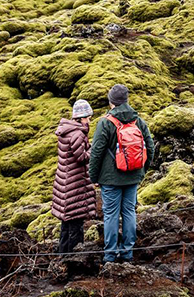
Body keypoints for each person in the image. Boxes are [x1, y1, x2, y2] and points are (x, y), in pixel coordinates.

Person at [88, 84, 154, 263]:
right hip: (133, 177)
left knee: (110, 215)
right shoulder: (138, 120)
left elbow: (96, 152)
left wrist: (93, 177)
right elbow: (150, 146)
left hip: (110, 179)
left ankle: (110, 255)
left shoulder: (105, 122)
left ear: (111, 102)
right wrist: (142, 171)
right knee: (129, 212)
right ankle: (127, 253)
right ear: (126, 100)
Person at [51, 99, 97, 254]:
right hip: (75, 185)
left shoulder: (66, 131)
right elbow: (81, 157)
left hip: (65, 182)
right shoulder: (77, 133)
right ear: (82, 117)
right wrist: (94, 150)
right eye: (88, 117)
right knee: (76, 226)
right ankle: (74, 259)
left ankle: (63, 255)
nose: (89, 120)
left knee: (66, 224)